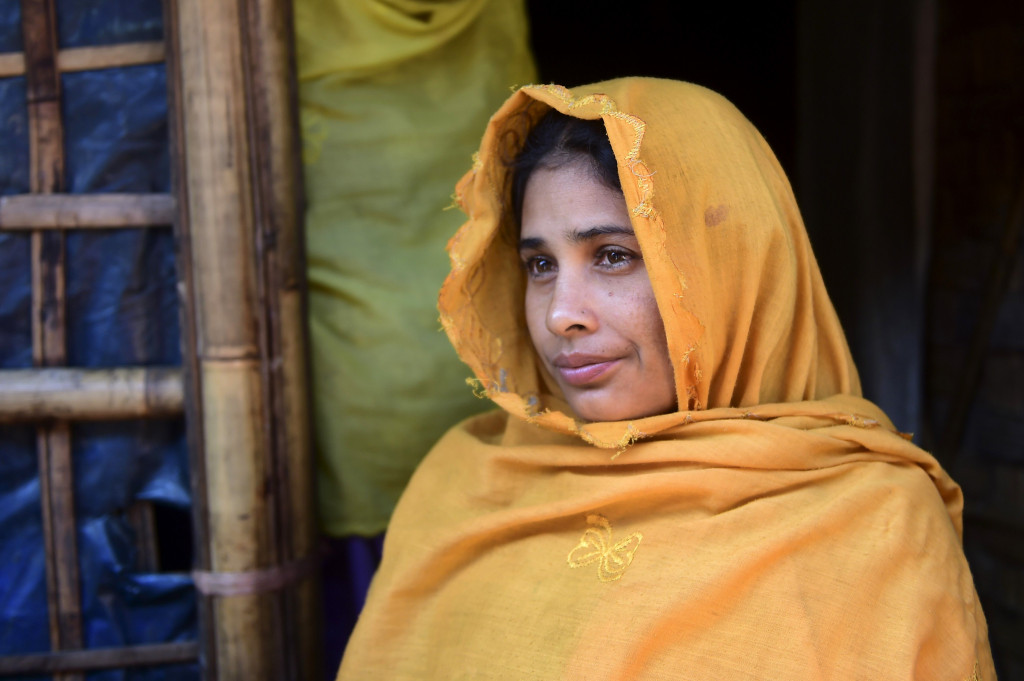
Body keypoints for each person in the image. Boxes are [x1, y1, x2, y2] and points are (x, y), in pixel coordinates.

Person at [337, 78, 996, 680]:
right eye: (540, 265)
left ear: (733, 269)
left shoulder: (872, 524)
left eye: (614, 256)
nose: (562, 313)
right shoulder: (463, 484)